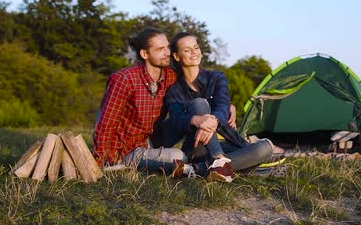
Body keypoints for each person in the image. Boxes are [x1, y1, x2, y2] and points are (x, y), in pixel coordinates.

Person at [93, 27, 233, 178]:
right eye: (160, 49)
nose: (167, 52)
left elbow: (196, 97)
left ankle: (218, 161)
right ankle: (203, 166)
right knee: (179, 156)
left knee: (193, 112)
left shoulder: (170, 77)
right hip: (125, 149)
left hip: (152, 139)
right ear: (145, 54)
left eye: (167, 47)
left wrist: (229, 106)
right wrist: (98, 161)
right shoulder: (124, 79)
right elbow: (106, 123)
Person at [162, 32, 275, 182]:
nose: (194, 52)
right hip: (196, 147)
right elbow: (176, 119)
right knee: (199, 104)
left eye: (196, 47)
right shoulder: (174, 90)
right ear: (176, 57)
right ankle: (221, 161)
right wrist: (196, 120)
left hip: (227, 142)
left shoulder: (217, 77)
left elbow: (223, 104)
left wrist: (212, 121)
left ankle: (197, 169)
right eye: (187, 50)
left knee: (266, 147)